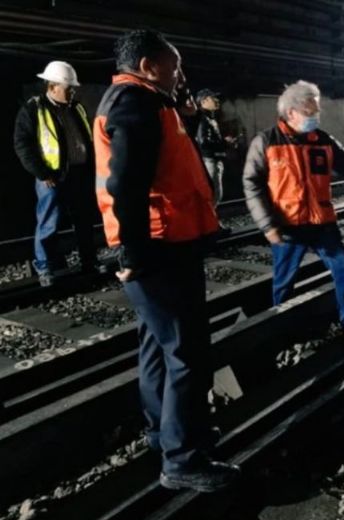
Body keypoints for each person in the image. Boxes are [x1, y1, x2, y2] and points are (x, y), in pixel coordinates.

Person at [94, 29, 239, 492]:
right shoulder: (133, 104)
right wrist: (132, 251)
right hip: (159, 247)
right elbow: (126, 185)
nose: (180, 75)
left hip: (167, 243)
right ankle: (184, 459)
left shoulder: (149, 102)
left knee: (159, 348)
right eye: (173, 65)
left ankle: (168, 435)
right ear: (147, 65)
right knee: (187, 354)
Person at [243, 80, 344, 346]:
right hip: (288, 227)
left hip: (321, 223)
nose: (315, 117)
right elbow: (251, 183)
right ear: (291, 113)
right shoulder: (266, 142)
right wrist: (267, 225)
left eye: (316, 111)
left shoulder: (322, 140)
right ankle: (282, 337)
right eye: (310, 112)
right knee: (283, 284)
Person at [13, 60, 102, 285]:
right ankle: (45, 268)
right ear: (52, 87)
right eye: (68, 87)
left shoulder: (76, 107)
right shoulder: (33, 109)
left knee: (83, 220)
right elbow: (22, 144)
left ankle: (88, 261)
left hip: (79, 173)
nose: (72, 91)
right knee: (49, 221)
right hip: (51, 177)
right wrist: (42, 173)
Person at [195, 88, 232, 210]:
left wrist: (226, 144)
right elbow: (203, 142)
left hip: (214, 159)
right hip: (210, 160)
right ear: (204, 101)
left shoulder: (210, 119)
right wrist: (223, 142)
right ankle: (210, 224)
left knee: (215, 194)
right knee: (214, 194)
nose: (217, 100)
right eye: (213, 98)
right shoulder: (203, 119)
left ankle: (212, 223)